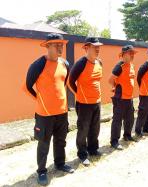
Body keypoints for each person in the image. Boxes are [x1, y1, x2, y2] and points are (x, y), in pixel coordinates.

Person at [23, 33, 74, 186]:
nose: (60, 47)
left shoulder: (65, 63)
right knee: (44, 143)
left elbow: (63, 83)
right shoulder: (38, 65)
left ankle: (59, 163)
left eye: (61, 44)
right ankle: (42, 171)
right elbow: (26, 87)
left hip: (62, 112)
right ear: (47, 46)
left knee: (61, 140)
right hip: (44, 114)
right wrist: (39, 100)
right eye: (56, 44)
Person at [68, 37, 103, 166]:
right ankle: (82, 154)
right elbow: (70, 82)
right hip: (84, 104)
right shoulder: (81, 63)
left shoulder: (99, 62)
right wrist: (80, 95)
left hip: (97, 102)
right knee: (83, 130)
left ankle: (93, 149)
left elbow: (97, 82)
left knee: (95, 128)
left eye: (99, 46)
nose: (98, 49)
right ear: (87, 48)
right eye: (95, 47)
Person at [109, 45, 137, 150]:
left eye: (133, 53)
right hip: (120, 98)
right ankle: (114, 141)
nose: (132, 55)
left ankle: (127, 135)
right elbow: (110, 80)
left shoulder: (132, 66)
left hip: (129, 98)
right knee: (117, 120)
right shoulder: (119, 66)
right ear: (124, 54)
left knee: (129, 118)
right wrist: (115, 87)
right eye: (130, 53)